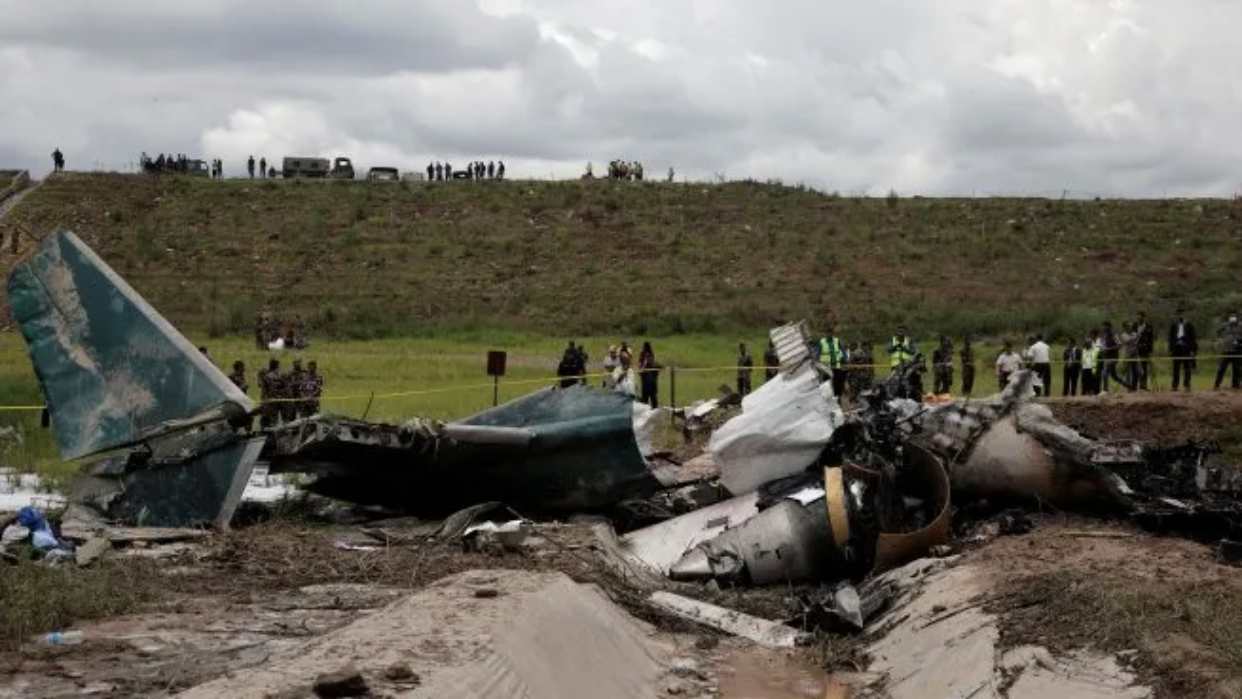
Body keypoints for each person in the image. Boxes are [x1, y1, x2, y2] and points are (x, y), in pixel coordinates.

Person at [1169, 308, 1198, 391]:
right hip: (1177, 348)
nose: (1180, 316)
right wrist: (1171, 349)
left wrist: (1193, 350)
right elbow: (1170, 338)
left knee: (1187, 368)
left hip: (1186, 348)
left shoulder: (1189, 325)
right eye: (1178, 314)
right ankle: (1174, 386)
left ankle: (1187, 385)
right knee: (1176, 368)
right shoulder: (1174, 325)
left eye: (1182, 314)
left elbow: (1193, 338)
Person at [1215, 313, 1242, 390]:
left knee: (1237, 369)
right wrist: (1219, 340)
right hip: (1226, 351)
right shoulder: (1225, 326)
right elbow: (1218, 331)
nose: (1232, 320)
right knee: (1221, 368)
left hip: (1237, 351)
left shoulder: (1240, 327)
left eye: (1234, 318)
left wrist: (1239, 342)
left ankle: (1235, 386)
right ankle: (1217, 385)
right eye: (1231, 318)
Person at [819, 324, 847, 397]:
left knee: (838, 382)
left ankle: (839, 397)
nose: (828, 334)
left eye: (829, 333)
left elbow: (842, 351)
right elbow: (818, 353)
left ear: (832, 333)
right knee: (827, 383)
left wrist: (845, 360)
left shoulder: (836, 341)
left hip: (836, 365)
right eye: (826, 333)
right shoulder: (822, 342)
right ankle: (830, 396)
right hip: (826, 366)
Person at [258, 358, 282, 428]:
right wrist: (278, 396)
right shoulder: (270, 376)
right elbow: (272, 389)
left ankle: (265, 429)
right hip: (269, 400)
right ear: (276, 366)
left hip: (267, 399)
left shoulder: (268, 375)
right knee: (270, 417)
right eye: (278, 366)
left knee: (267, 416)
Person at [1135, 312, 1154, 390]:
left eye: (1140, 317)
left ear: (1143, 317)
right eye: (1138, 317)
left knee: (1144, 367)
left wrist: (1150, 349)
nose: (1139, 318)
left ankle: (1144, 385)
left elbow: (1151, 339)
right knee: (1136, 367)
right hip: (1135, 349)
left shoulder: (1148, 326)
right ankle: (1135, 385)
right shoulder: (1134, 326)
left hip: (1145, 350)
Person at [638, 342, 659, 408]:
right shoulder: (642, 356)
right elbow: (640, 371)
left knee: (653, 399)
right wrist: (644, 364)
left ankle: (654, 411)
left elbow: (657, 367)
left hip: (652, 383)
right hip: (645, 383)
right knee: (645, 399)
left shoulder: (653, 362)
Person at [1081, 330, 1101, 395]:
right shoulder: (1084, 350)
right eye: (1086, 343)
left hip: (1092, 368)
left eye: (1089, 343)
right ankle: (1085, 394)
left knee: (1093, 383)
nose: (1087, 344)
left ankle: (1094, 394)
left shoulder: (1095, 349)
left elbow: (1099, 351)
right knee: (1085, 383)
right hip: (1085, 368)